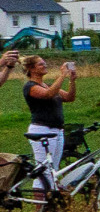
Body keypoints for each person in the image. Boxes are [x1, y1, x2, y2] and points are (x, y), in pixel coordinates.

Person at [21, 55, 76, 189]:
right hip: (42, 130)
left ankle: (48, 204)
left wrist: (72, 81)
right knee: (43, 170)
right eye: (41, 64)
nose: (45, 66)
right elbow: (48, 94)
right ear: (31, 69)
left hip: (57, 130)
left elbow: (69, 97)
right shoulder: (30, 86)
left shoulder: (47, 85)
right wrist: (62, 75)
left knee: (53, 170)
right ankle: (40, 205)